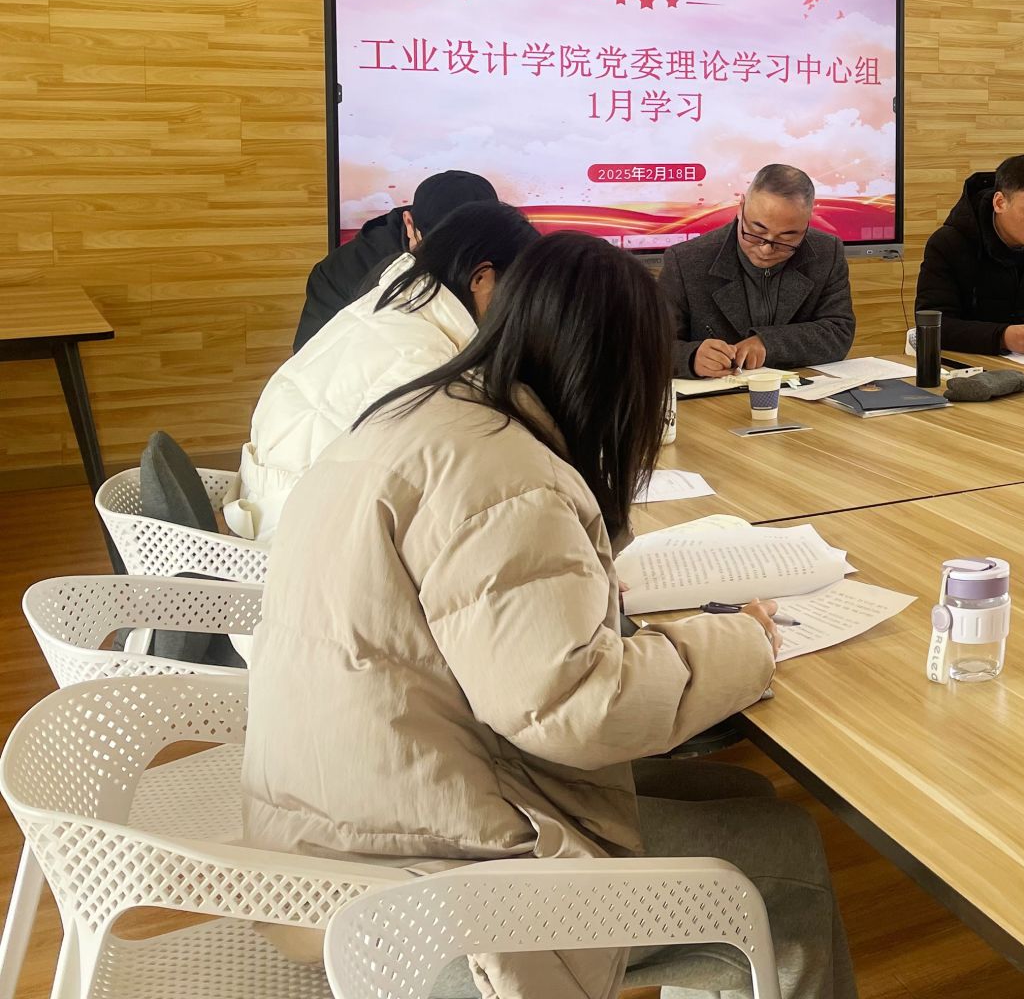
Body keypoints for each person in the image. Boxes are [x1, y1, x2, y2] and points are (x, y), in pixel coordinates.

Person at [243, 231, 856, 999]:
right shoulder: (502, 474)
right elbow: (572, 706)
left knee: (744, 797)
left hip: (357, 806)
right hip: (428, 882)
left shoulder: (434, 413)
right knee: (791, 859)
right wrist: (744, 640)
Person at [227, 201, 539, 541]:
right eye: (518, 292)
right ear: (481, 278)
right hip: (302, 535)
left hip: (268, 507)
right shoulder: (432, 362)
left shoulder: (385, 303)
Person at [657, 164, 855, 378]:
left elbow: (839, 331)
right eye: (756, 231)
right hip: (716, 393)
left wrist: (768, 343)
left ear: (806, 223)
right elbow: (652, 345)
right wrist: (691, 357)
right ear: (740, 207)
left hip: (800, 390)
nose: (766, 249)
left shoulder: (827, 252)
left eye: (787, 238)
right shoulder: (686, 260)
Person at [292, 168, 497, 351]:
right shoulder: (344, 271)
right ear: (409, 224)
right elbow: (312, 357)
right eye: (443, 249)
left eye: (476, 250)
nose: (458, 263)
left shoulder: (502, 254)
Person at [916, 154, 1024, 354]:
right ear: (1000, 203)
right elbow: (933, 326)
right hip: (966, 362)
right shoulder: (949, 243)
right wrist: (1001, 337)